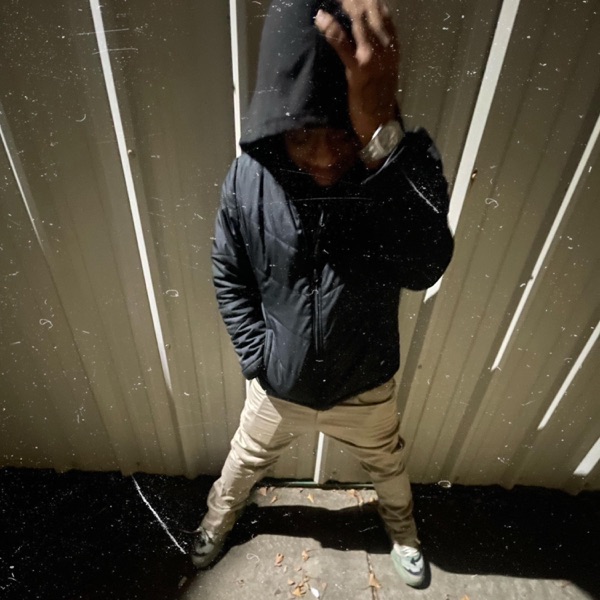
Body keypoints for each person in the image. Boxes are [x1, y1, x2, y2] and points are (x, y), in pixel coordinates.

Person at [191, 0, 454, 588]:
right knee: (241, 463)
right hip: (278, 386)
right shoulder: (247, 180)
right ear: (276, 124)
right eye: (305, 135)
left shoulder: (396, 169)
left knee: (389, 466)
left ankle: (404, 533)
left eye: (342, 133)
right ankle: (214, 523)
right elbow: (228, 271)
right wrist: (259, 357)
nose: (326, 157)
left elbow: (425, 264)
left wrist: (380, 141)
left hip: (366, 387)